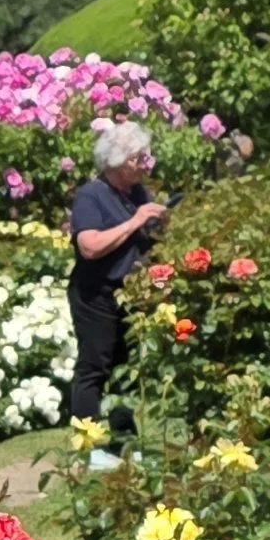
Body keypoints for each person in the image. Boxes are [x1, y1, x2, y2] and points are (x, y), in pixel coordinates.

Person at [64, 119, 167, 427]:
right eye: (138, 158)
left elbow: (144, 240)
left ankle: (123, 441)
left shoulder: (138, 193)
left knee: (126, 368)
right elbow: (90, 246)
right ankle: (88, 442)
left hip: (129, 295)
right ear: (117, 161)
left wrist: (159, 225)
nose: (143, 165)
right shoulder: (91, 195)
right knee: (94, 366)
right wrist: (135, 221)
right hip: (95, 295)